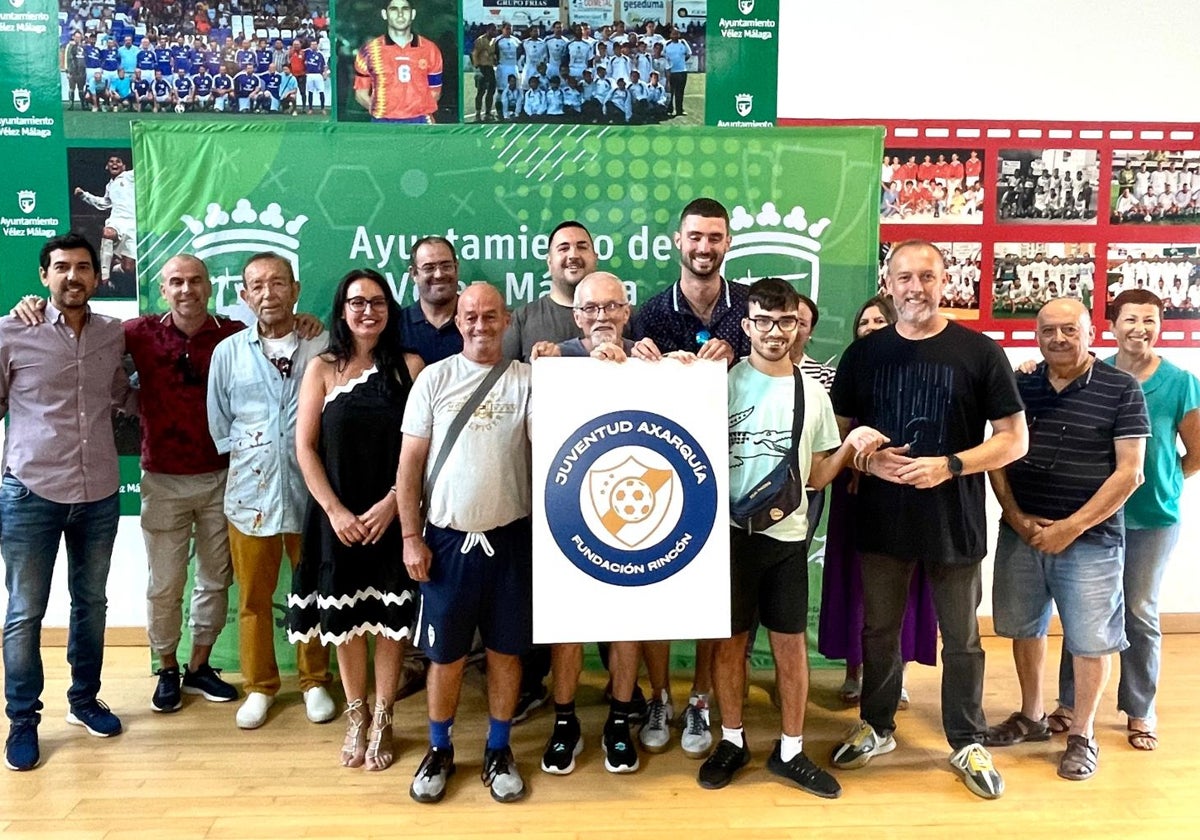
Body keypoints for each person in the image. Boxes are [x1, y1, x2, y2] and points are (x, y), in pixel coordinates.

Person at [828, 239, 1028, 800]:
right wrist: (865, 454)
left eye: (927, 276)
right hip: (880, 519)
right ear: (888, 284)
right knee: (879, 631)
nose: (915, 288)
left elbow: (1015, 440)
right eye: (904, 277)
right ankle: (877, 725)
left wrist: (951, 465)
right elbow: (839, 432)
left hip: (953, 520)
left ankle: (966, 739)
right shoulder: (863, 355)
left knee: (962, 640)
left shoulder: (979, 351)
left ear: (946, 282)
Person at [700, 278, 886, 797]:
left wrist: (850, 445)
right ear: (747, 325)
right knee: (730, 645)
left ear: (798, 326)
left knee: (789, 648)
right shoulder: (720, 382)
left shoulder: (812, 392)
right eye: (763, 321)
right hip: (730, 536)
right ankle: (732, 741)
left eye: (785, 322)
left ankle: (790, 750)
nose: (775, 332)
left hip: (786, 539)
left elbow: (819, 476)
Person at [986, 297, 1148, 781]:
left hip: (1091, 540)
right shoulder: (1021, 385)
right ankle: (1032, 717)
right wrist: (1015, 518)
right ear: (1036, 335)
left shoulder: (1122, 389)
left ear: (1090, 331)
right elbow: (997, 454)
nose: (1058, 339)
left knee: (1091, 640)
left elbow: (1130, 473)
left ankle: (1082, 734)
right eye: (1048, 331)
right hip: (1023, 533)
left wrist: (1070, 527)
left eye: (1069, 330)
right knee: (1023, 627)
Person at [1, 234, 135, 771]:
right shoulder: (12, 332)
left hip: (99, 491)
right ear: (43, 277)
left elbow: (123, 396)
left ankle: (82, 702)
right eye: (61, 268)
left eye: (83, 268)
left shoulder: (112, 335)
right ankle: (22, 722)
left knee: (91, 604)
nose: (72, 277)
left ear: (98, 278)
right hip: (31, 491)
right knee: (24, 613)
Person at [1045, 290, 1199, 752]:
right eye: (1130, 319)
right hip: (1091, 516)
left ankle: (1139, 709)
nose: (1139, 329)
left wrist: (1165, 480)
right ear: (1110, 326)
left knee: (1139, 612)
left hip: (1151, 517)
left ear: (1160, 325)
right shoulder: (1096, 373)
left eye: (1149, 320)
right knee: (1081, 611)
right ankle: (1070, 705)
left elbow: (1195, 450)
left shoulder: (1181, 381)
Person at [398, 283, 533, 804]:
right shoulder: (434, 379)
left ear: (507, 320)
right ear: (457, 322)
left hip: (510, 541)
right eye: (471, 316)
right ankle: (440, 748)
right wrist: (411, 537)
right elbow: (408, 468)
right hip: (446, 543)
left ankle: (499, 747)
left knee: (505, 652)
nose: (481, 325)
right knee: (446, 656)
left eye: (491, 316)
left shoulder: (527, 381)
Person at [288, 269, 424, 771]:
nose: (368, 310)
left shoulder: (410, 366)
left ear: (390, 308)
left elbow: (419, 450)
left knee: (388, 622)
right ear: (342, 310)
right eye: (356, 302)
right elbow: (304, 448)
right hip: (335, 518)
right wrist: (335, 511)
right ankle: (357, 715)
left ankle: (385, 716)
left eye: (377, 301)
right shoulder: (322, 368)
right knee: (345, 622)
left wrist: (394, 502)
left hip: (392, 514)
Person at [629, 197, 747, 759]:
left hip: (736, 480)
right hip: (662, 478)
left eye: (715, 237)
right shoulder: (649, 314)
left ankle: (700, 698)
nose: (705, 247)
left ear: (728, 243)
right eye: (695, 237)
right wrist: (632, 354)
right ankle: (659, 696)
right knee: (657, 592)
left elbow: (784, 367)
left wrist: (743, 360)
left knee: (709, 598)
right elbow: (619, 386)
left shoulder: (750, 311)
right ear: (677, 242)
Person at [207, 252, 334, 730]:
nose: (268, 294)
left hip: (312, 494)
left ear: (295, 289)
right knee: (254, 598)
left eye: (277, 284)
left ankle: (315, 680)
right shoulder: (229, 353)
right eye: (257, 286)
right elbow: (220, 421)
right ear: (243, 295)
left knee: (314, 593)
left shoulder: (321, 344)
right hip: (250, 495)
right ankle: (259, 686)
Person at [819, 294, 938, 705]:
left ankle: (895, 675)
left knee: (899, 590)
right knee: (856, 586)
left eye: (878, 322)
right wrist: (857, 462)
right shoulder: (849, 372)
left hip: (905, 494)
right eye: (863, 323)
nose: (870, 329)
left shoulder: (916, 373)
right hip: (854, 495)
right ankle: (854, 670)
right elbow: (832, 434)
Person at [503, 220, 598, 362]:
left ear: (595, 258)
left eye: (582, 247)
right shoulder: (523, 318)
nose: (573, 255)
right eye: (563, 248)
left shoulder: (621, 315)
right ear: (549, 262)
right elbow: (504, 378)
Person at [354, 0, 444, 124]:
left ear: (413, 14)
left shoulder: (430, 50)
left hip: (420, 122)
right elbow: (360, 94)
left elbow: (435, 92)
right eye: (394, 9)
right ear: (384, 14)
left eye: (405, 9)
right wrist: (383, 112)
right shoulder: (369, 51)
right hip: (382, 122)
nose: (400, 14)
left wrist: (415, 112)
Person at [73, 155, 135, 288]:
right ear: (107, 166)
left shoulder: (130, 176)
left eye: (118, 161)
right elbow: (104, 203)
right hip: (116, 221)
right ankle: (105, 277)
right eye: (111, 162)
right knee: (107, 233)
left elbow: (145, 168)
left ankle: (114, 267)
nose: (115, 164)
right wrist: (84, 196)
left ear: (124, 166)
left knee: (129, 269)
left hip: (133, 226)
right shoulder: (110, 186)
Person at [401, 236, 462, 364]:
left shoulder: (477, 322)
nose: (439, 274)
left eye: (446, 266)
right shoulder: (396, 326)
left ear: (456, 268)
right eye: (429, 268)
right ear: (414, 274)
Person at [470, 23, 497, 122]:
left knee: (491, 90)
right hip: (482, 68)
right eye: (493, 30)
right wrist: (477, 68)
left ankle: (488, 113)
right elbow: (474, 54)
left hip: (490, 68)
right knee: (481, 91)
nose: (495, 32)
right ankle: (477, 114)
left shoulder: (494, 41)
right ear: (488, 30)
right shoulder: (480, 40)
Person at [662, 26, 691, 117]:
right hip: (671, 72)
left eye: (677, 33)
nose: (675, 35)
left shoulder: (683, 42)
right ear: (670, 35)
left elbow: (688, 54)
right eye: (673, 33)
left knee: (680, 92)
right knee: (670, 92)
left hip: (682, 71)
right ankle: (669, 109)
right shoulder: (666, 44)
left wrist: (681, 62)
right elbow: (663, 55)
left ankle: (679, 110)